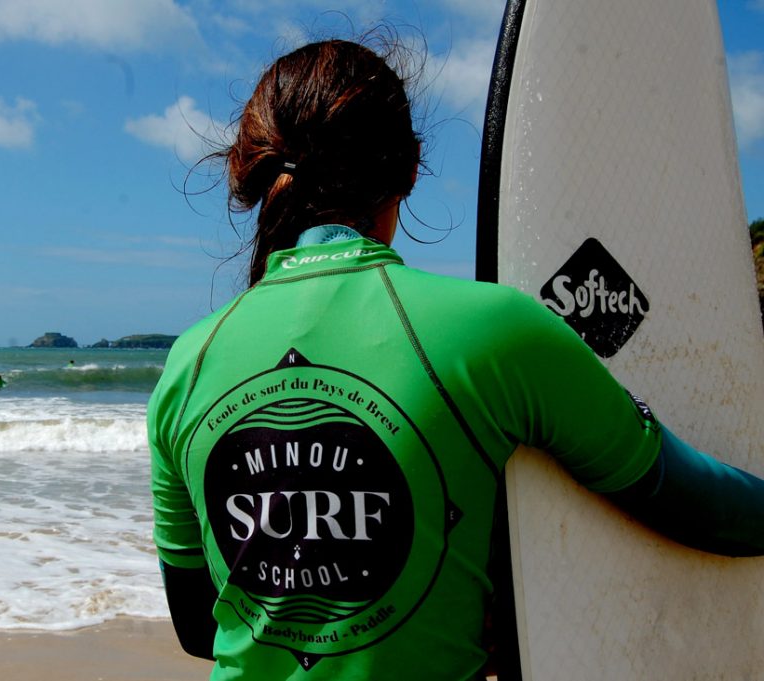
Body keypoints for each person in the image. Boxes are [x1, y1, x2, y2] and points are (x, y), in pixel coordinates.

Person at [146, 38, 764, 680]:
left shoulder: (187, 366)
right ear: (410, 167)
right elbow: (683, 498)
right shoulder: (497, 331)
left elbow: (198, 625)